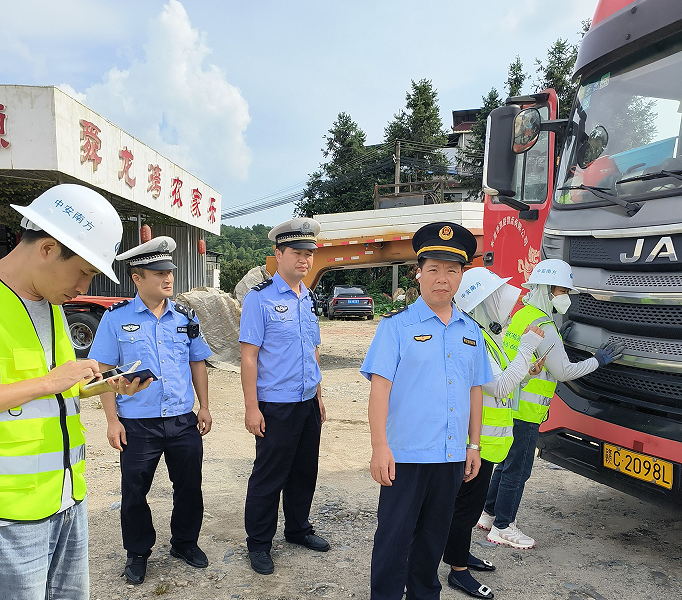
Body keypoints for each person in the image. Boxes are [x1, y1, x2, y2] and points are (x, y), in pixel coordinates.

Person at [0, 184, 149, 600]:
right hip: (11, 514)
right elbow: (49, 383)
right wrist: (50, 381)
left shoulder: (51, 308)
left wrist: (103, 386)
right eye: (83, 271)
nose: (84, 285)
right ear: (48, 248)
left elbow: (62, 388)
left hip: (67, 497)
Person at [361, 222, 493, 600]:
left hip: (451, 456)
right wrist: (379, 447)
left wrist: (474, 445)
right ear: (418, 272)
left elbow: (475, 391)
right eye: (433, 268)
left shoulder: (471, 331)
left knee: (433, 540)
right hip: (405, 456)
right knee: (393, 539)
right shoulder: (397, 328)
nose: (442, 278)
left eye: (452, 270)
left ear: (462, 275)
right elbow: (380, 390)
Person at [88, 236, 213, 585]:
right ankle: (138, 552)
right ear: (137, 278)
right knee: (134, 490)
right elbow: (105, 374)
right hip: (138, 423)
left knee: (189, 486)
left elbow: (198, 362)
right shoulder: (116, 319)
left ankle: (185, 543)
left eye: (170, 271)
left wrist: (204, 407)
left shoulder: (185, 316)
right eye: (158, 273)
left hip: (181, 419)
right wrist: (112, 421)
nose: (168, 278)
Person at [481, 259, 624, 549]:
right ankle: (503, 527)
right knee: (518, 470)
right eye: (562, 290)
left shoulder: (523, 316)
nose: (566, 297)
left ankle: (488, 513)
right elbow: (564, 372)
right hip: (528, 409)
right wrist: (599, 360)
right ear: (548, 290)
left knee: (507, 464)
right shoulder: (545, 326)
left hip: (510, 404)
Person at [443, 267, 545, 599]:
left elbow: (505, 387)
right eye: (495, 296)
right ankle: (458, 570)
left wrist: (526, 370)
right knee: (465, 509)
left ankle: (458, 554)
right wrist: (527, 347)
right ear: (481, 303)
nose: (504, 301)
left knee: (468, 509)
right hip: (476, 443)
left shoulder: (488, 336)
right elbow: (498, 383)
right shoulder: (472, 338)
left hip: (490, 442)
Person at [239, 217, 328, 576]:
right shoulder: (259, 299)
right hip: (275, 404)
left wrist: (319, 396)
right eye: (297, 252)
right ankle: (259, 543)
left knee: (304, 472)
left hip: (307, 401)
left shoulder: (308, 297)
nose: (304, 260)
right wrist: (251, 408)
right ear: (278, 254)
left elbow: (314, 351)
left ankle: (297, 529)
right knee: (269, 476)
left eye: (309, 253)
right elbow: (249, 356)